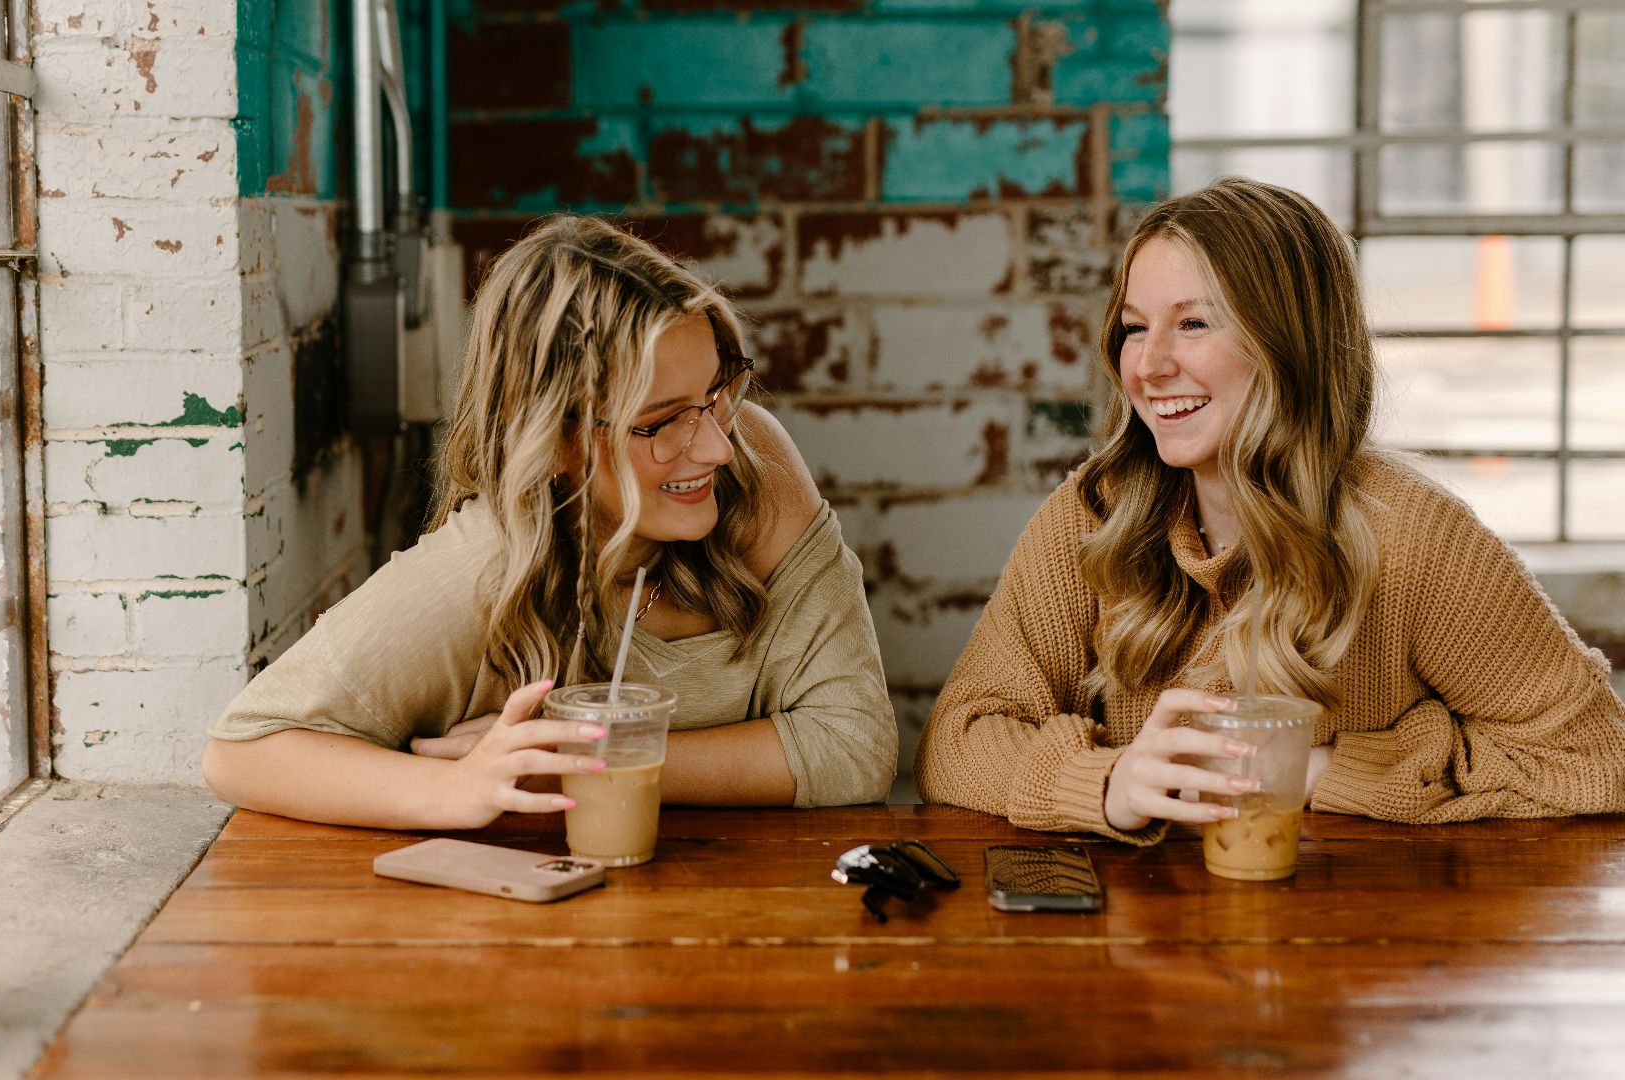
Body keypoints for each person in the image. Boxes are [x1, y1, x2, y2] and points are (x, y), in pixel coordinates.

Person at [916, 177, 1625, 843]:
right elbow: (956, 740)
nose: (1149, 365)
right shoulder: (1093, 516)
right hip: (1135, 948)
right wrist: (1110, 783)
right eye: (1134, 328)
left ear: (1289, 344)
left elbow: (1595, 758)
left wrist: (1318, 771)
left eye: (1193, 324)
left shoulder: (1416, 537)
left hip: (1356, 940)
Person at [204, 216, 896, 829]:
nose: (717, 445)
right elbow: (242, 752)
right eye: (658, 423)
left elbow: (857, 747)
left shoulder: (755, 462)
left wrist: (577, 758)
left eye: (717, 393)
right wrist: (448, 789)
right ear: (553, 440)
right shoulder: (481, 570)